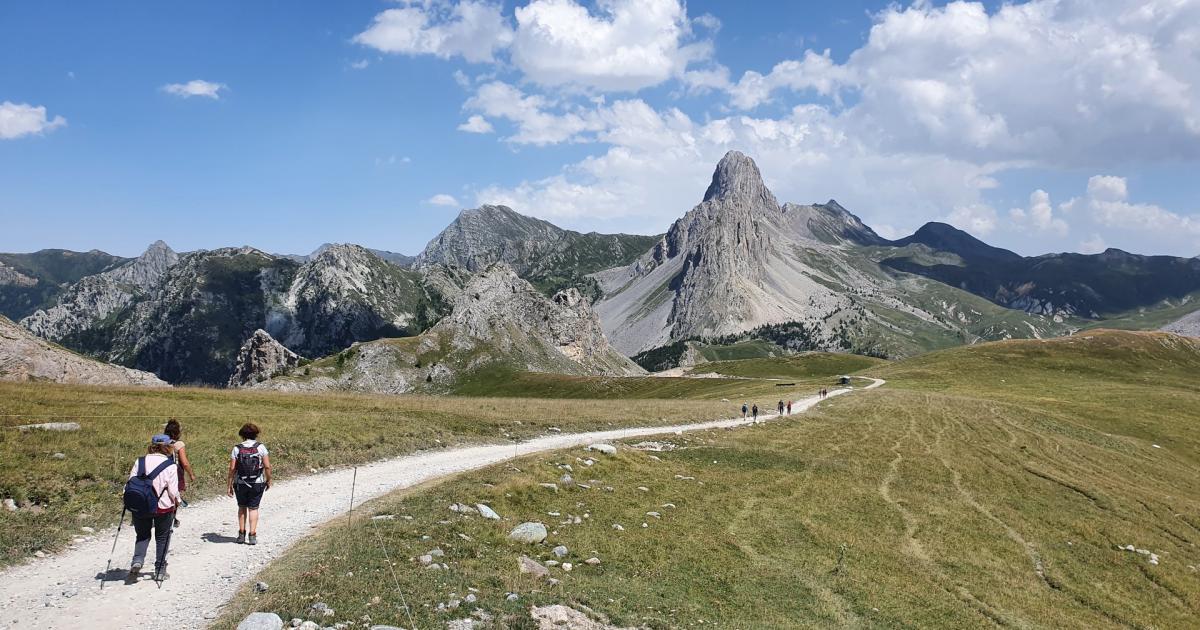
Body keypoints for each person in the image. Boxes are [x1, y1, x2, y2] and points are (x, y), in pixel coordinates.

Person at [126, 434, 180, 583]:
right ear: (167, 447)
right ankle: (160, 570)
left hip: (140, 505)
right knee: (162, 537)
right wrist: (178, 501)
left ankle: (138, 560)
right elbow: (173, 491)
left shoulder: (140, 461)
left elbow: (130, 482)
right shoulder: (170, 466)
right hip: (162, 507)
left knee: (142, 535)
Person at [228, 423, 271, 545]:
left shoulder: (237, 448)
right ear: (256, 434)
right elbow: (267, 466)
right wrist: (269, 480)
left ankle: (241, 535)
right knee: (253, 508)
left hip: (240, 482)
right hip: (257, 482)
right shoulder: (261, 447)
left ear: (242, 435)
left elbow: (232, 469)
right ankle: (252, 536)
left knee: (242, 507)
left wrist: (229, 485)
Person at [163, 419, 196, 523]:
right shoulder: (179, 444)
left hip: (161, 471)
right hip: (175, 472)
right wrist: (191, 474)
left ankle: (162, 515)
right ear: (177, 432)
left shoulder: (161, 442)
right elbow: (185, 462)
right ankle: (172, 517)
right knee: (175, 493)